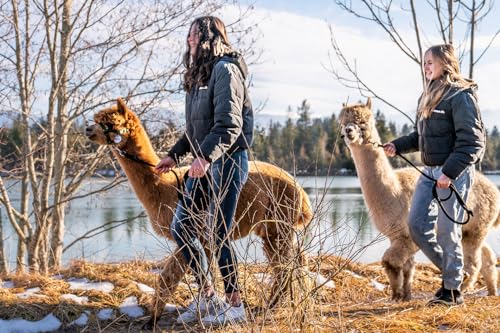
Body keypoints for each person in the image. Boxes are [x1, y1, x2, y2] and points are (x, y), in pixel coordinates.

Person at [155, 16, 253, 325]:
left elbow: (229, 124)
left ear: (210, 38)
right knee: (181, 227)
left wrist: (207, 157)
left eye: (195, 37)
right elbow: (195, 130)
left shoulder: (226, 71)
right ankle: (208, 295)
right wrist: (175, 154)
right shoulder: (198, 77)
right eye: (189, 38)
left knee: (220, 234)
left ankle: (235, 302)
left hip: (228, 161)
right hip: (204, 162)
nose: (190, 42)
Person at [383, 44, 485, 306]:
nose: (426, 66)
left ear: (445, 62)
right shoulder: (428, 94)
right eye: (424, 62)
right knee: (416, 226)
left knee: (447, 231)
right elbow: (422, 137)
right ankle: (454, 274)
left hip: (454, 173)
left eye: (430, 61)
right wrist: (398, 145)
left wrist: (449, 173)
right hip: (428, 173)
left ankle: (452, 292)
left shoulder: (460, 96)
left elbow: (473, 142)